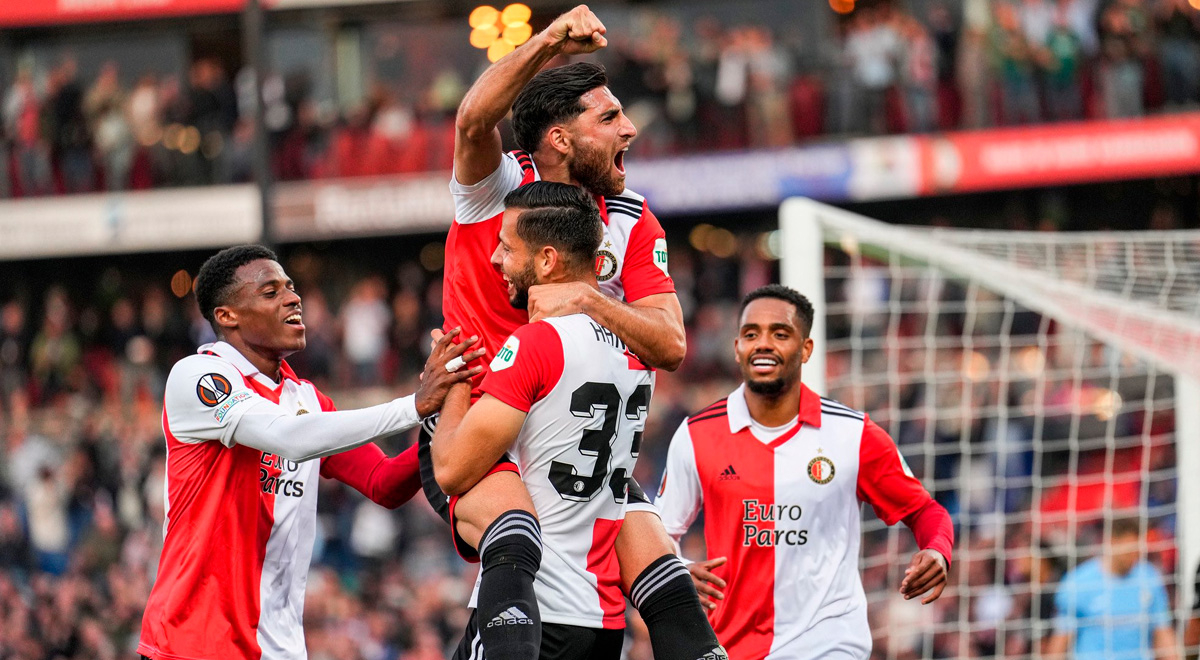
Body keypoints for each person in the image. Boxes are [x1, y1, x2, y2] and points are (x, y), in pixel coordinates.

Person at [419, 6, 723, 660]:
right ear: (560, 138)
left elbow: (669, 344)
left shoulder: (634, 222)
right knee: (517, 535)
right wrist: (551, 39)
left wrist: (590, 301)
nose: (631, 128)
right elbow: (474, 119)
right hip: (480, 417)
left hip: (563, 427)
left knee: (665, 580)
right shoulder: (498, 191)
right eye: (610, 117)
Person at [137, 245, 483, 660]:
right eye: (270, 292)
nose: (292, 298)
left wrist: (445, 418)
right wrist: (413, 405)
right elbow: (289, 437)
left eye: (291, 287)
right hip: (192, 643)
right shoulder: (197, 376)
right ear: (227, 316)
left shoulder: (308, 400)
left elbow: (384, 482)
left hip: (280, 647)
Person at [655, 284, 955, 659]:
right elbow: (660, 534)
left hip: (831, 644)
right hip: (733, 646)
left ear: (806, 349)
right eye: (751, 334)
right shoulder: (696, 435)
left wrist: (937, 550)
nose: (763, 344)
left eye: (780, 334)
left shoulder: (853, 434)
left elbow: (925, 511)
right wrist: (680, 569)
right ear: (737, 348)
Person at [431, 181, 655, 657]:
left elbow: (451, 470)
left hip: (536, 608)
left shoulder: (537, 343)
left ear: (547, 260)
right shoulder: (639, 347)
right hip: (603, 619)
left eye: (506, 248)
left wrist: (455, 378)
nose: (495, 260)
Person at [1045, 518, 1180, 660]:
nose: (1135, 556)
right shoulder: (1078, 582)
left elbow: (1163, 633)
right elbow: (1060, 641)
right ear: (1112, 542)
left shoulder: (1149, 578)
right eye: (1130, 550)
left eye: (1138, 550)